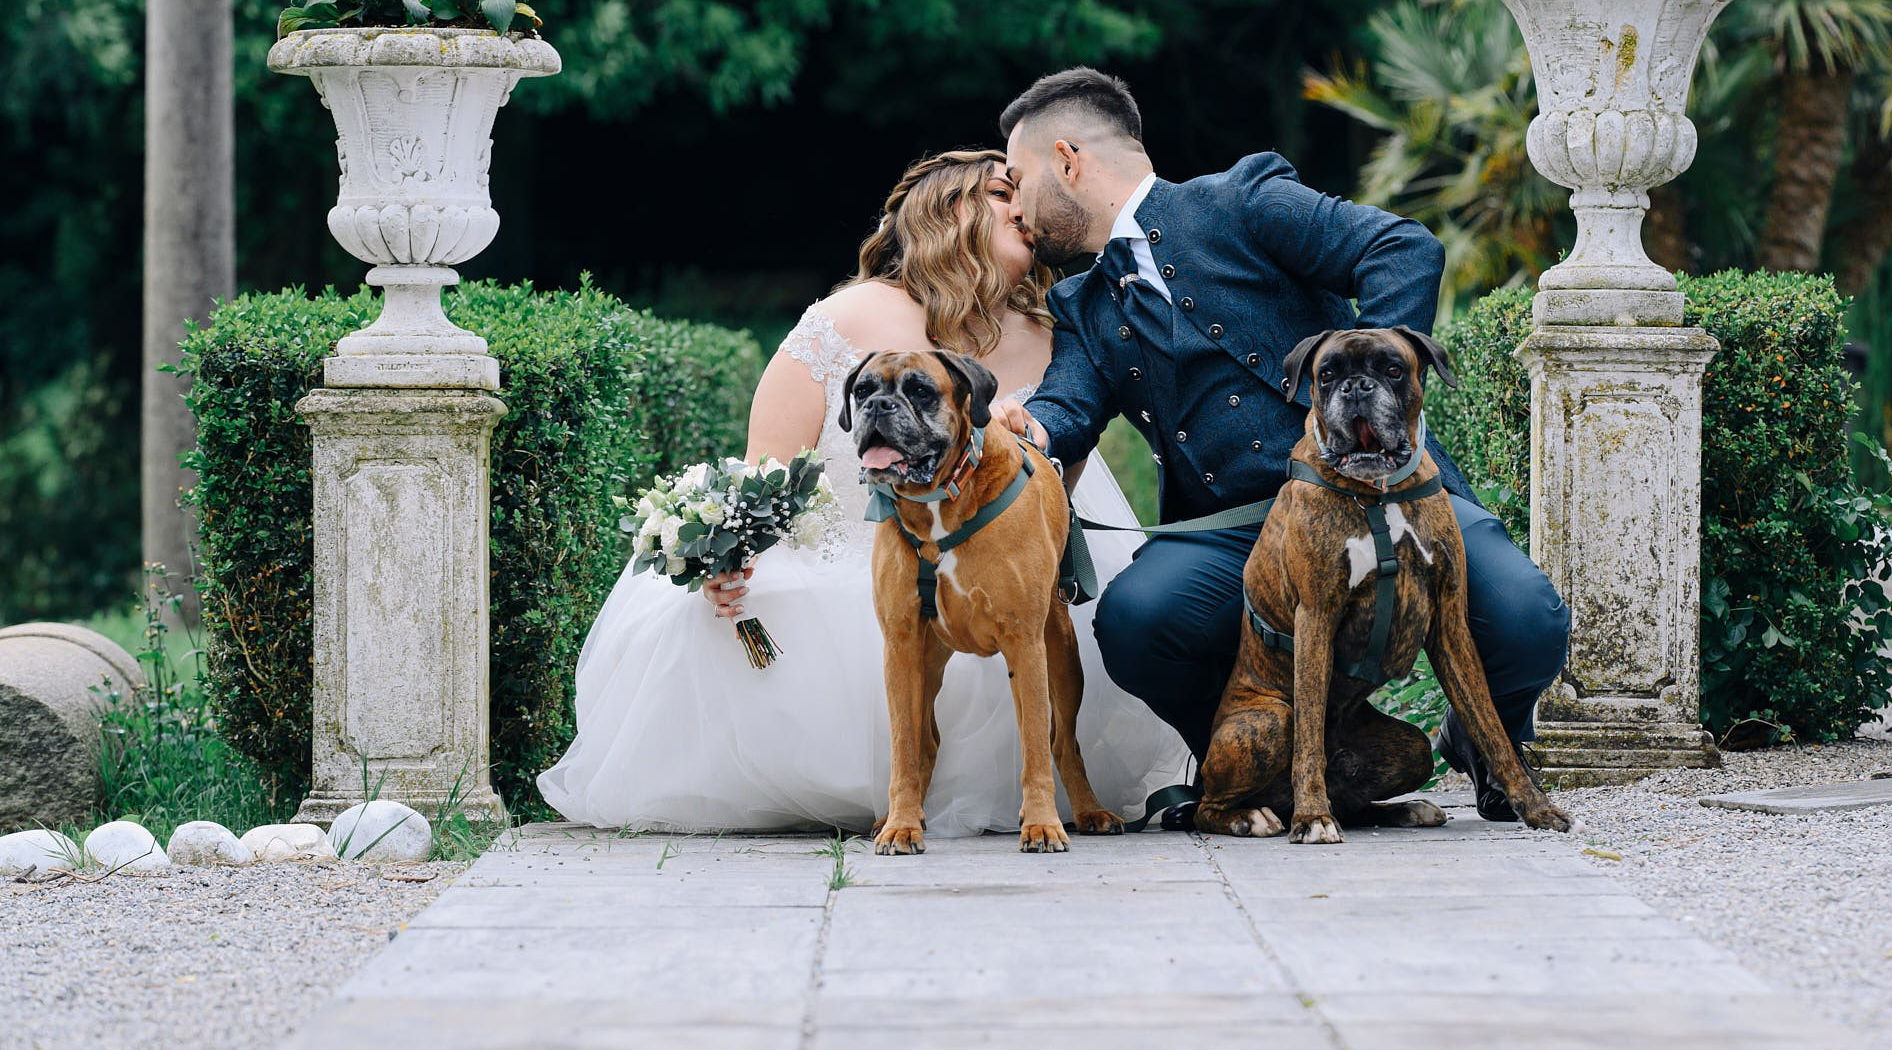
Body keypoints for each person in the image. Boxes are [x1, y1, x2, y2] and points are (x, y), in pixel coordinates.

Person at [537, 149, 1189, 834]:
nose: (1024, 207)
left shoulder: (1053, 341)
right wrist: (728, 556)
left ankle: (1038, 774)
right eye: (1004, 192)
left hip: (996, 590)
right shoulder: (844, 317)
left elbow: (1055, 499)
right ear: (951, 207)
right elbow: (764, 476)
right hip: (851, 579)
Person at [991, 68, 1571, 823]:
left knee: (1528, 618)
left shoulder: (1244, 197)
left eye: (1018, 177)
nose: (1019, 207)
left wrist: (1376, 398)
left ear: (1067, 160)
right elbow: (1065, 407)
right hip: (1237, 537)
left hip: (1385, 491)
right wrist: (1024, 425)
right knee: (1137, 619)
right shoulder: (1082, 303)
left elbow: (1403, 248)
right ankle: (1248, 775)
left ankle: (1483, 736)